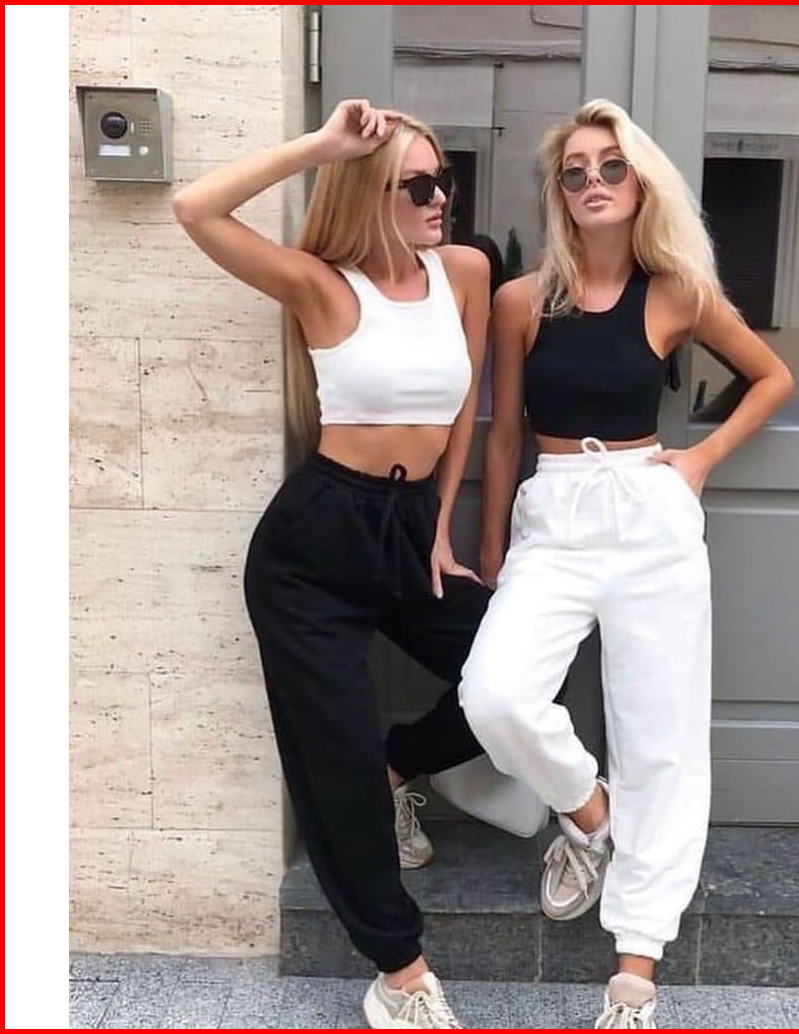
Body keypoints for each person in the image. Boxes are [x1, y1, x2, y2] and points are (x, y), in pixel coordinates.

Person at [458, 99, 794, 1028]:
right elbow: (504, 434)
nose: (593, 182)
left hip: (649, 514)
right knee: (494, 694)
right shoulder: (523, 300)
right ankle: (592, 817)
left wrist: (700, 460)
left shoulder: (677, 290)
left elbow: (772, 376)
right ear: (559, 191)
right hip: (556, 516)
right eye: (575, 171)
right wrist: (493, 548)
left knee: (663, 740)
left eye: (611, 167)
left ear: (639, 182)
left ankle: (635, 973)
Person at [173, 98, 492, 1028]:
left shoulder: (465, 272)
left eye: (444, 180)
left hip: (408, 528)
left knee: (513, 666)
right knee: (334, 761)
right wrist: (323, 145)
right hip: (315, 545)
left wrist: (440, 525)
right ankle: (400, 970)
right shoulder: (322, 286)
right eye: (418, 185)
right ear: (370, 193)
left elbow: (464, 405)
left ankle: (403, 768)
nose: (441, 200)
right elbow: (195, 208)